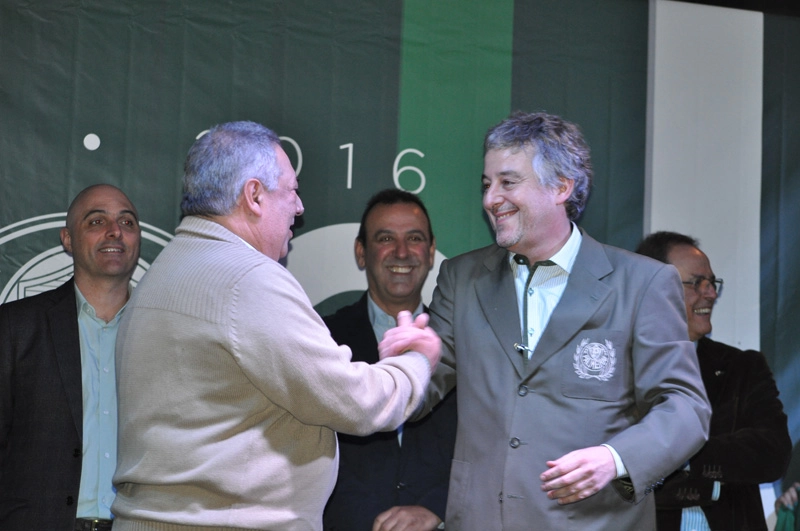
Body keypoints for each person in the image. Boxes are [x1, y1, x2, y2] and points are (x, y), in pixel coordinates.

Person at [111, 121, 441, 531]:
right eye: (292, 190)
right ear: (254, 195)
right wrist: (416, 358)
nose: (300, 207)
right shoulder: (247, 279)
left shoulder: (167, 270)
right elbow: (357, 401)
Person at [395, 111, 712, 530]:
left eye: (508, 182)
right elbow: (422, 395)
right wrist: (411, 364)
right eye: (487, 184)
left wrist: (615, 459)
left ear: (562, 187)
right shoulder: (462, 278)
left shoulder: (642, 282)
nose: (491, 199)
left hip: (594, 520)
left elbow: (685, 407)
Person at [0, 184, 141, 531]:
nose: (115, 231)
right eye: (96, 222)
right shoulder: (15, 326)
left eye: (127, 222)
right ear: (67, 239)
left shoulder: (165, 333)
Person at [637, 231, 791, 531]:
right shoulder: (616, 368)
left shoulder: (742, 367)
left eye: (712, 283)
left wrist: (678, 456)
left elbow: (772, 453)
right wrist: (714, 477)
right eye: (696, 283)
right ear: (653, 289)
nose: (710, 293)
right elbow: (616, 477)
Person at [322, 189, 457, 531]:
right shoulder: (322, 338)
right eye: (385, 238)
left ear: (430, 252)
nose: (401, 252)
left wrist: (437, 507)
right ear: (361, 252)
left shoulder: (462, 342)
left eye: (414, 238)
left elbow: (492, 445)